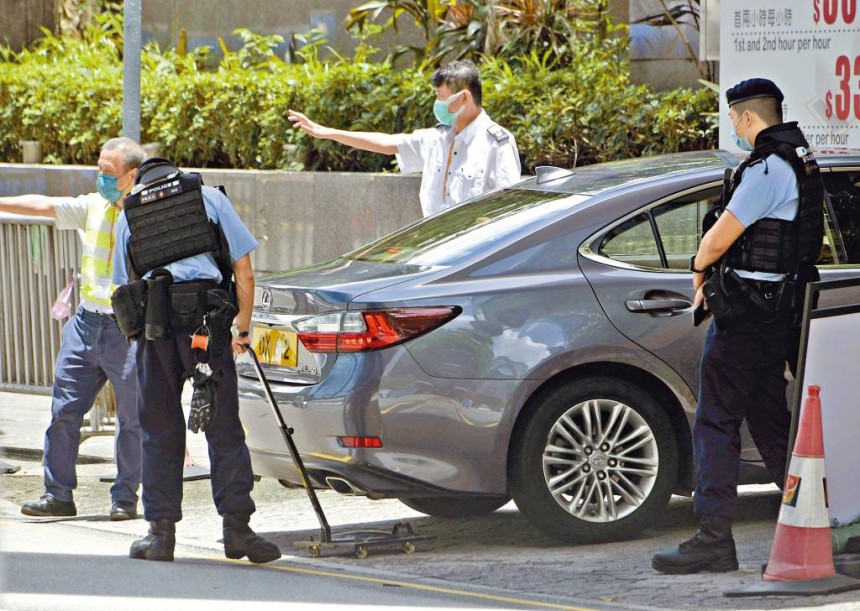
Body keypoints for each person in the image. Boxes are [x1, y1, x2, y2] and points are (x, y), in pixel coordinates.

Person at [652, 79, 825, 574]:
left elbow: (716, 240)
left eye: (733, 119)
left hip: (748, 317)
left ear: (748, 118)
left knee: (716, 423)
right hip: (777, 311)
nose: (733, 127)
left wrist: (699, 270)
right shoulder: (800, 159)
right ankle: (824, 519)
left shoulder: (768, 168)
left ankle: (713, 539)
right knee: (772, 425)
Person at [112, 157, 280, 563]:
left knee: (159, 428)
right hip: (208, 323)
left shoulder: (127, 215)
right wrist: (242, 327)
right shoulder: (209, 198)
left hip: (156, 330)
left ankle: (160, 535)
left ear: (140, 179)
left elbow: (123, 287)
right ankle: (237, 531)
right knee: (223, 426)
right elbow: (244, 270)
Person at [0, 137, 145, 521]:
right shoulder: (92, 205)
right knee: (63, 412)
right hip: (85, 324)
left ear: (132, 175)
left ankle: (125, 498)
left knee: (131, 418)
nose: (101, 177)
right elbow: (44, 204)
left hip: (127, 329)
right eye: (98, 168)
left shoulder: (148, 210)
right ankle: (58, 495)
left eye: (109, 172)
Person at [288, 59, 521, 218]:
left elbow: (512, 207)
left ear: (464, 98)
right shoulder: (437, 139)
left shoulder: (495, 143)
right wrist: (327, 132)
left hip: (475, 260)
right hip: (434, 252)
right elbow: (388, 144)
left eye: (441, 97)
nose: (437, 104)